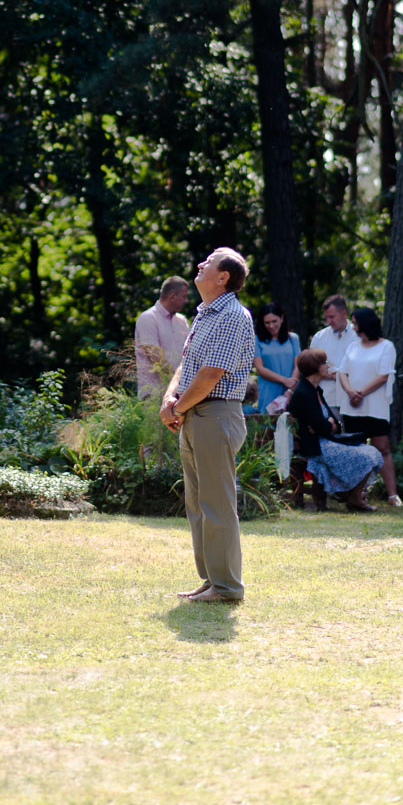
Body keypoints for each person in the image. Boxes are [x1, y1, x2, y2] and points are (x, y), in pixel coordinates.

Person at [160, 246, 256, 605]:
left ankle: (228, 587)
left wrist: (178, 407)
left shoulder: (232, 316)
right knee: (198, 504)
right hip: (195, 415)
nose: (200, 264)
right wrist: (169, 403)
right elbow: (186, 367)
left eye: (209, 262)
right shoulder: (204, 314)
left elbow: (211, 374)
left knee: (217, 504)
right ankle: (212, 580)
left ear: (223, 277)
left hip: (216, 415)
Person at [289, 348, 383, 512]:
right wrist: (327, 425)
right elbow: (324, 427)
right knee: (367, 456)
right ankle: (352, 496)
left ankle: (352, 494)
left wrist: (328, 424)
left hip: (325, 441)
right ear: (315, 367)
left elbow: (332, 425)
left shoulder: (317, 390)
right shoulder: (303, 393)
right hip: (315, 447)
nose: (327, 366)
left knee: (373, 453)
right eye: (324, 363)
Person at [338, 305, 403, 506]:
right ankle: (357, 493)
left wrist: (361, 393)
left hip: (375, 407)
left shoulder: (386, 346)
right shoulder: (352, 346)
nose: (353, 326)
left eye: (355, 322)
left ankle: (393, 495)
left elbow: (384, 375)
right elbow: (342, 372)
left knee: (382, 447)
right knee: (355, 450)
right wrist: (350, 392)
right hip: (352, 406)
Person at [134, 277, 190, 399]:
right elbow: (155, 356)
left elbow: (189, 354)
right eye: (184, 296)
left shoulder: (182, 321)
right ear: (172, 296)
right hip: (154, 395)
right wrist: (178, 384)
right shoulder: (148, 318)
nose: (186, 301)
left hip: (179, 395)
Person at [309, 293, 355, 418]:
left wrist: (341, 375)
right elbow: (310, 365)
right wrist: (325, 373)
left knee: (354, 436)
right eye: (327, 318)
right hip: (328, 397)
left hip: (353, 397)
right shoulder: (320, 337)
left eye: (332, 317)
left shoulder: (357, 335)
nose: (329, 321)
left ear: (344, 314)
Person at [252, 303, 301, 415]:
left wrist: (290, 388)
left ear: (282, 318)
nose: (271, 325)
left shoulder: (293, 338)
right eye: (267, 322)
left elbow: (298, 365)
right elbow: (260, 368)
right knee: (267, 427)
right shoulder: (257, 340)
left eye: (274, 321)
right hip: (268, 392)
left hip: (290, 392)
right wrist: (285, 380)